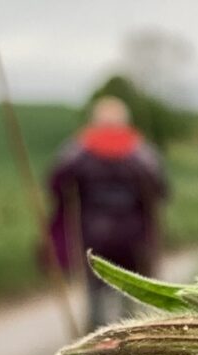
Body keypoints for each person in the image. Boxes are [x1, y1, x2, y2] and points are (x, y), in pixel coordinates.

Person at [47, 96, 168, 330]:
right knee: (132, 294)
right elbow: (161, 190)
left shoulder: (78, 150)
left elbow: (55, 183)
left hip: (93, 236)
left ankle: (97, 343)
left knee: (95, 297)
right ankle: (130, 344)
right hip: (133, 240)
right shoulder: (141, 152)